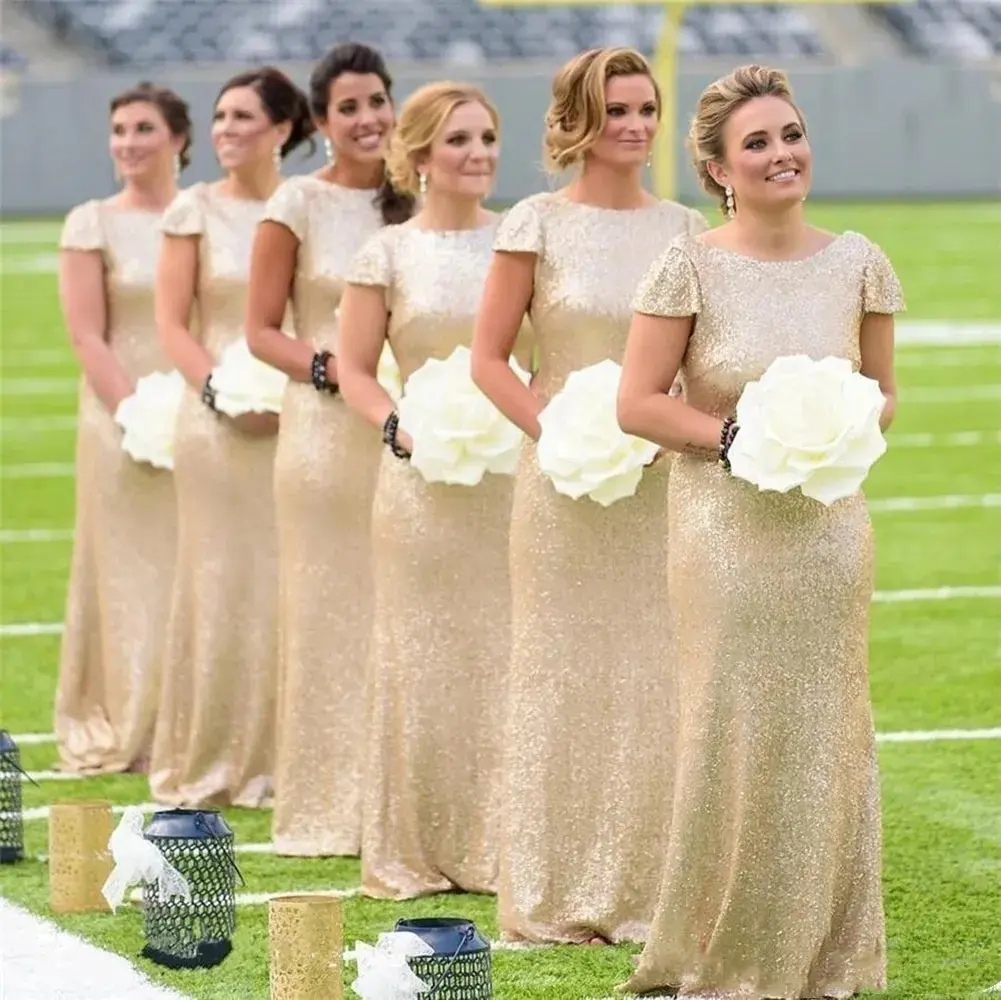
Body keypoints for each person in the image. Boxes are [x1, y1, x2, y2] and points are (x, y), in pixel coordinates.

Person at [616, 64, 902, 998]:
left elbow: (882, 396)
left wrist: (836, 432)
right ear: (717, 170)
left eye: (790, 134)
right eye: (757, 144)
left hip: (826, 533)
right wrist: (737, 439)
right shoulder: (689, 263)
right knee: (731, 725)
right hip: (721, 530)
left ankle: (827, 949)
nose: (782, 154)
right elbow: (638, 405)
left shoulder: (859, 260)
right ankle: (717, 944)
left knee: (829, 725)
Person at [470, 46, 707, 944]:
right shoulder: (533, 222)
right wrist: (560, 434)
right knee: (558, 673)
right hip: (559, 484)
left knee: (658, 674)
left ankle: (655, 889)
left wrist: (664, 426)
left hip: (656, 485)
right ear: (579, 120)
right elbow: (490, 361)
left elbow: (697, 358)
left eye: (647, 109)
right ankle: (550, 889)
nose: (637, 126)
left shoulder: (686, 228)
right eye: (618, 111)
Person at [337, 80, 533, 898]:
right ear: (418, 155)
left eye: (487, 137)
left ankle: (505, 843)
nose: (479, 153)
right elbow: (351, 366)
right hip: (418, 483)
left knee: (507, 652)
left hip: (506, 480)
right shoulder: (385, 252)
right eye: (459, 140)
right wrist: (394, 423)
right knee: (420, 657)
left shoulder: (520, 241)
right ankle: (415, 844)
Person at [246, 42, 414, 857]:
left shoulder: (415, 199)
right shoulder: (295, 204)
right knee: (328, 613)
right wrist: (335, 370)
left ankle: (399, 804)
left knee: (401, 612)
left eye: (377, 101)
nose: (368, 118)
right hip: (321, 434)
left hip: (404, 429)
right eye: (348, 107)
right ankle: (326, 804)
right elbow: (258, 330)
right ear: (320, 122)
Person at [149, 67, 314, 807]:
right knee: (221, 582)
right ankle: (212, 754)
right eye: (218, 116)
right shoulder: (192, 210)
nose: (223, 130)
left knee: (296, 581)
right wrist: (221, 390)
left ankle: (294, 754)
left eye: (242, 116)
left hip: (303, 419)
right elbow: (170, 324)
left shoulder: (303, 208)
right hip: (215, 421)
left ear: (282, 129)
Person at [55, 82, 191, 774]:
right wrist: (138, 413)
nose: (128, 142)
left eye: (143, 128)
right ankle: (126, 712)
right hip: (119, 418)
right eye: (119, 130)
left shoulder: (199, 218)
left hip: (200, 413)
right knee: (127, 568)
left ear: (178, 140)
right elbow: (87, 335)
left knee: (194, 564)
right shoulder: (91, 223)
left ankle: (191, 716)